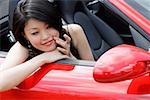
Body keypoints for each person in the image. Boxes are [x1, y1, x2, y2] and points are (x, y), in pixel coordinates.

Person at [0, 0, 94, 92]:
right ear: (25, 35)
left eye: (49, 27)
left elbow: (92, 75)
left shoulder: (74, 32)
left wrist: (69, 58)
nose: (45, 37)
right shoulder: (22, 47)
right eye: (35, 33)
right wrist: (43, 58)